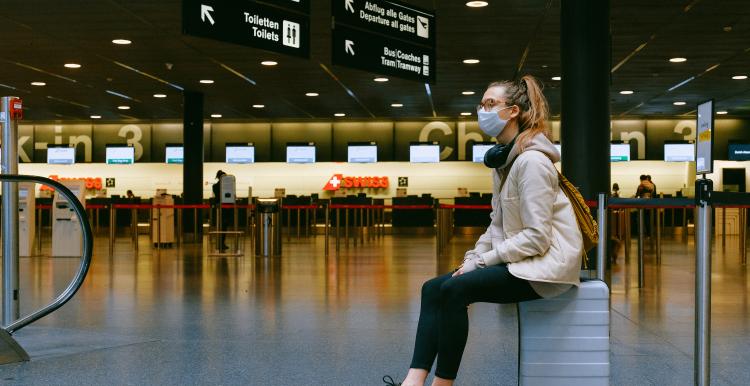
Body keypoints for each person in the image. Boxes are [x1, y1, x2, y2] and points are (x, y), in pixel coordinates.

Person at [384, 75, 583, 386]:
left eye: (491, 104)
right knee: (432, 288)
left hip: (545, 268)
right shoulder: (504, 163)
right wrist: (472, 258)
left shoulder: (532, 163)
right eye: (482, 105)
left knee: (455, 290)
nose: (483, 111)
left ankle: (442, 384)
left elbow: (537, 237)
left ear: (513, 111)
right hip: (521, 261)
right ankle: (413, 380)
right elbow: (497, 225)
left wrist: (483, 263)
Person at [212, 170, 233, 251]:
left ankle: (221, 243)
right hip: (224, 208)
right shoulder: (221, 186)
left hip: (221, 207)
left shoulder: (215, 186)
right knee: (223, 226)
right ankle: (221, 243)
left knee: (222, 226)